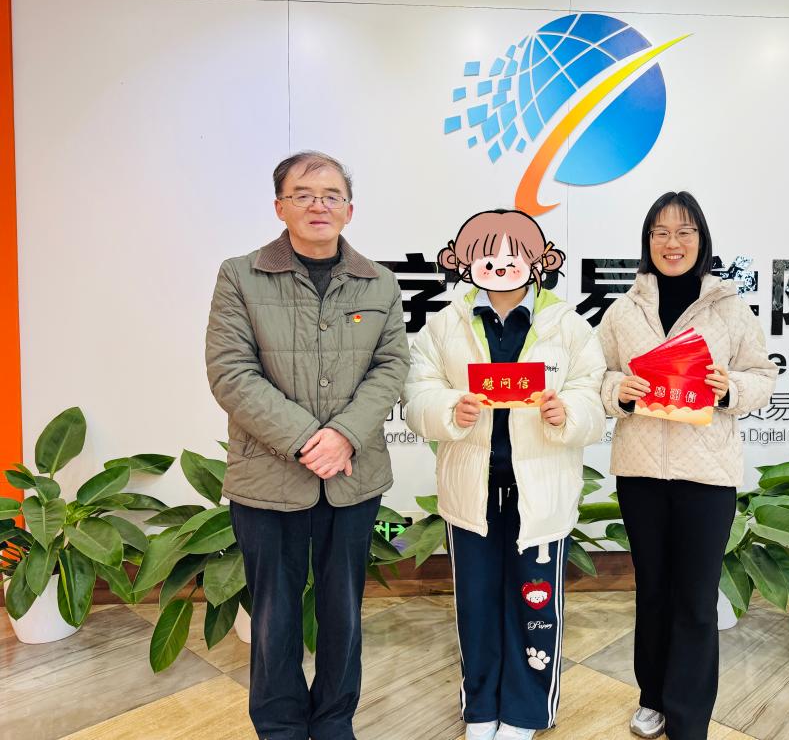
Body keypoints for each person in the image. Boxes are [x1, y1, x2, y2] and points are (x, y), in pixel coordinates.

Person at [205, 151, 409, 740]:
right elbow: (230, 371)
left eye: (330, 195)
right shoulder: (240, 275)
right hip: (267, 477)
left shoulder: (379, 281)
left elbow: (392, 366)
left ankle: (335, 719)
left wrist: (343, 435)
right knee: (274, 611)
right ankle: (279, 725)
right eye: (303, 194)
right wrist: (304, 440)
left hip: (353, 474)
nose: (318, 205)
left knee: (344, 608)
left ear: (349, 209)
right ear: (279, 206)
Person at [404, 209, 605, 740]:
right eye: (486, 257)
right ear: (463, 262)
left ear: (540, 261)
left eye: (514, 256)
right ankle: (480, 709)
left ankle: (525, 711)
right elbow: (417, 393)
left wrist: (569, 413)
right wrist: (449, 408)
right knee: (475, 604)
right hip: (471, 489)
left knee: (535, 605)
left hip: (540, 490)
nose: (500, 265)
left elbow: (592, 395)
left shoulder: (567, 324)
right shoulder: (444, 323)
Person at [597, 191, 777, 740]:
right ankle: (652, 698)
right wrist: (618, 390)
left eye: (684, 232)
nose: (671, 243)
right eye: (660, 232)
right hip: (641, 474)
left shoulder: (729, 309)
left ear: (701, 240)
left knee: (696, 598)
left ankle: (689, 717)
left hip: (707, 476)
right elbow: (594, 376)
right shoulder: (623, 311)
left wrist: (730, 388)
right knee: (652, 590)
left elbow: (763, 377)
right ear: (647, 241)